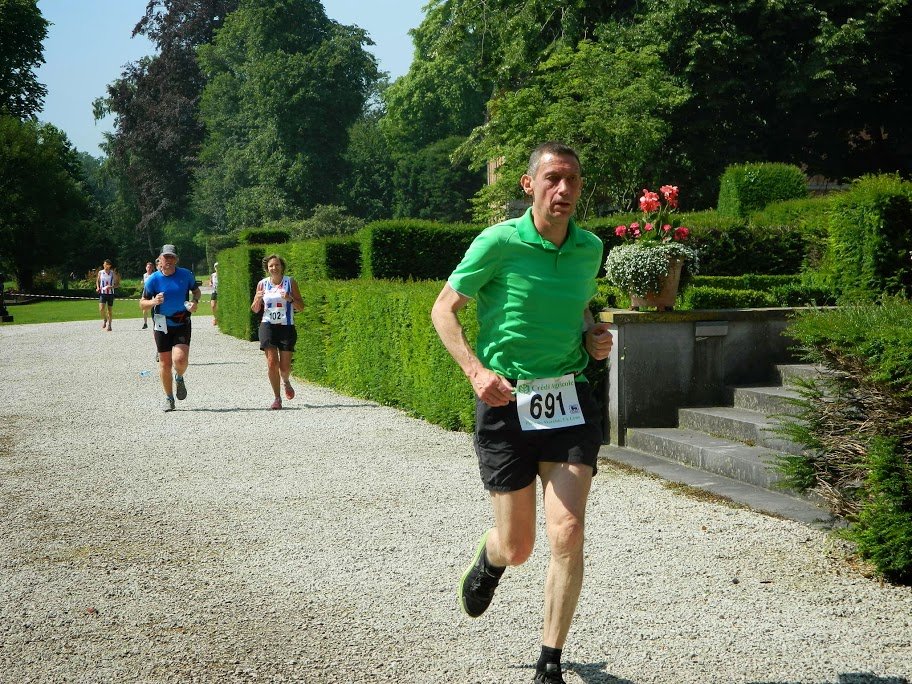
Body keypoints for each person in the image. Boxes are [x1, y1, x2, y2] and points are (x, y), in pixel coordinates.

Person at [430, 142, 614, 684]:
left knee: (569, 530)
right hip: (506, 402)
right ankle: (491, 559)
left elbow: (580, 308)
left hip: (569, 399)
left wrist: (593, 335)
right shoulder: (499, 242)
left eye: (573, 179)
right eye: (553, 178)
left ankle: (549, 663)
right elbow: (444, 309)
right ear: (529, 185)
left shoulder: (589, 248)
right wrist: (476, 372)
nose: (564, 189)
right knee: (519, 546)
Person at [140, 244, 201, 412]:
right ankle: (169, 398)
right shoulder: (153, 279)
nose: (168, 260)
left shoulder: (186, 275)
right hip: (161, 324)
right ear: (159, 259)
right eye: (166, 257)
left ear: (176, 259)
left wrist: (194, 302)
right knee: (165, 363)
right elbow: (142, 303)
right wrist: (154, 301)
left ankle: (179, 377)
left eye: (172, 257)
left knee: (180, 360)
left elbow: (196, 292)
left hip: (181, 322)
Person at [250, 254, 304, 410]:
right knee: (272, 363)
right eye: (271, 266)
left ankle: (285, 381)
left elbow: (301, 307)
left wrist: (290, 298)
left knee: (285, 368)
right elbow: (255, 309)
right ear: (267, 269)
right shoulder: (262, 284)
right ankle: (277, 398)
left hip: (286, 327)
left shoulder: (290, 282)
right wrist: (257, 299)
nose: (274, 268)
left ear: (282, 267)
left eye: (277, 265)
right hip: (267, 326)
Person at [95, 259, 120, 331]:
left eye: (106, 264)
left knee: (109, 310)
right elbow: (97, 281)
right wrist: (97, 287)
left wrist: (111, 287)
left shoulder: (112, 273)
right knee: (101, 309)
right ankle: (105, 319)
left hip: (110, 294)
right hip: (103, 293)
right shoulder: (100, 272)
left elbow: (117, 284)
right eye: (104, 264)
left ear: (109, 266)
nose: (105, 266)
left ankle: (109, 325)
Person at [141, 262, 155, 329]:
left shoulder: (154, 275)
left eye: (150, 267)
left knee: (153, 308)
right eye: (148, 267)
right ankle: (145, 323)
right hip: (146, 293)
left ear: (152, 268)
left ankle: (154, 322)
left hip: (152, 293)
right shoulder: (144, 275)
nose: (149, 268)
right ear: (146, 268)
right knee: (144, 308)